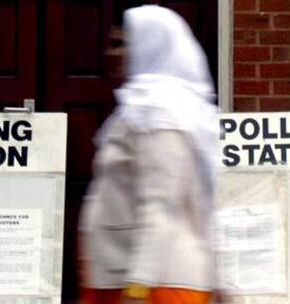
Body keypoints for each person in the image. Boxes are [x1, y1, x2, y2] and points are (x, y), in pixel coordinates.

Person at [78, 5, 220, 304]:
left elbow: (161, 206)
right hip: (121, 277)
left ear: (150, 44)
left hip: (158, 285)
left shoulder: (160, 114)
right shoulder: (138, 108)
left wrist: (138, 287)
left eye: (121, 44)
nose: (111, 53)